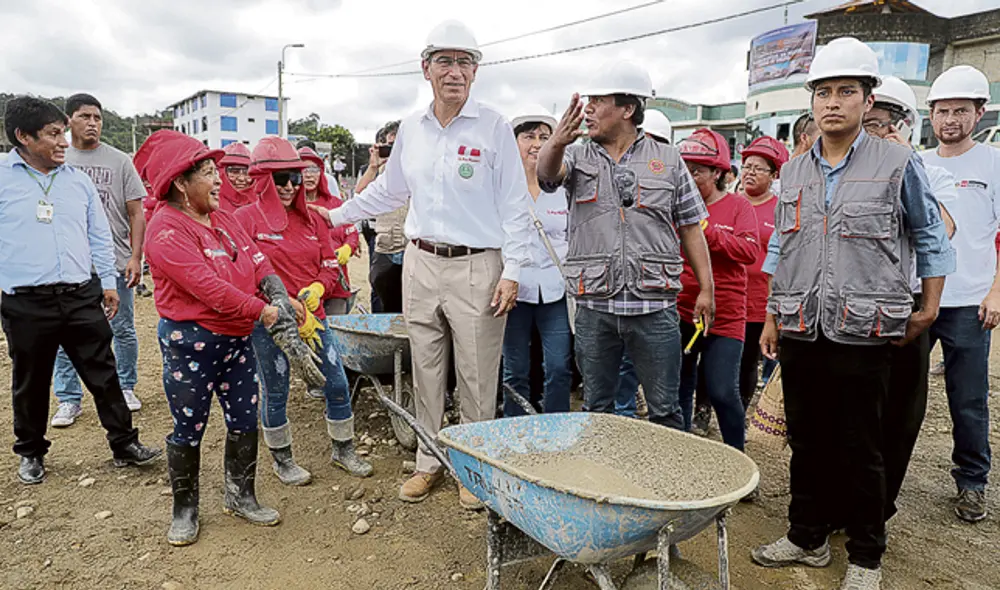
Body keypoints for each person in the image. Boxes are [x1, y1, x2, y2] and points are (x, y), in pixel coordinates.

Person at [753, 38, 955, 589]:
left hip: (864, 330)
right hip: (801, 325)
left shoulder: (897, 162)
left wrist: (929, 306)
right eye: (823, 92)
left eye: (846, 91)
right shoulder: (795, 170)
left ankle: (866, 556)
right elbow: (782, 248)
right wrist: (772, 316)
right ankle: (806, 536)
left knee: (862, 446)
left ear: (868, 100)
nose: (833, 102)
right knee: (807, 440)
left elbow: (930, 235)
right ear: (812, 101)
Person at [310, 20, 533, 509]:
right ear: (426, 68)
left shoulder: (494, 126)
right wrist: (337, 214)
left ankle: (472, 469)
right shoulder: (412, 128)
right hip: (420, 263)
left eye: (464, 62)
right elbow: (390, 190)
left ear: (476, 71)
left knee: (477, 373)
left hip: (478, 265)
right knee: (425, 366)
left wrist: (513, 270)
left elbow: (517, 205)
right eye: (445, 61)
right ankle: (428, 461)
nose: (455, 71)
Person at [142, 130, 325, 546]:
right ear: (180, 183)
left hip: (236, 342)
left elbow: (260, 262)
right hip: (192, 344)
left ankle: (241, 496)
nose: (219, 180)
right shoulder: (165, 230)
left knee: (244, 419)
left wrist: (277, 295)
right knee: (189, 426)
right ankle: (185, 509)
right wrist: (266, 312)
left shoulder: (223, 218)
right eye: (209, 173)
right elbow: (211, 289)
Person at [537, 60, 715, 433]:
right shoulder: (577, 156)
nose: (587, 110)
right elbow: (547, 177)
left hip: (654, 306)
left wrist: (706, 289)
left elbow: (690, 226)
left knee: (664, 409)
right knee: (597, 408)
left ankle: (666, 471)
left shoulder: (668, 159)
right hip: (595, 307)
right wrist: (557, 141)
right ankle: (603, 470)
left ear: (627, 109)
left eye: (598, 101)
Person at [0, 96, 161, 486]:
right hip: (25, 301)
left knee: (103, 372)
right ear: (23, 136)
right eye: (53, 134)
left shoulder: (77, 181)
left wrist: (107, 282)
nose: (63, 142)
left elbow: (99, 235)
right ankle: (31, 452)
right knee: (30, 380)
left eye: (62, 133)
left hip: (80, 293)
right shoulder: (3, 178)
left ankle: (124, 444)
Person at [237, 138, 373, 483]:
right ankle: (282, 459)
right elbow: (244, 274)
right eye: (281, 178)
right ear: (263, 180)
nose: (289, 186)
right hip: (271, 322)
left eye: (295, 178)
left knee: (336, 382)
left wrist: (318, 289)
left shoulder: (313, 219)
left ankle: (344, 449)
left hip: (313, 318)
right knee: (276, 388)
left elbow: (329, 264)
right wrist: (284, 304)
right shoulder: (245, 220)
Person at [861, 75, 958, 528]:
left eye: (881, 124)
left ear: (903, 125)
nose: (874, 134)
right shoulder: (850, 171)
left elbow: (943, 230)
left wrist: (907, 166)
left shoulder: (932, 173)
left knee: (898, 416)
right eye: (869, 125)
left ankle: (878, 510)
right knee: (850, 414)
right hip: (855, 303)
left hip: (907, 304)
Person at [921, 64, 1000, 523]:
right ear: (931, 114)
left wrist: (995, 293)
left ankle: (972, 481)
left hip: (970, 303)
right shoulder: (918, 162)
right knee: (899, 394)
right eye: (943, 111)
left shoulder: (993, 163)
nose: (950, 119)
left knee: (968, 399)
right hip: (919, 298)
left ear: (979, 113)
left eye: (960, 111)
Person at [51, 93, 147, 426]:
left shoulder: (120, 161)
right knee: (65, 334)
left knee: (122, 329)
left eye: (97, 118)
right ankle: (68, 398)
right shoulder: (56, 159)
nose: (93, 123)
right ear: (69, 121)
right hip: (68, 266)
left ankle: (126, 386)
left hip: (115, 263)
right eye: (85, 116)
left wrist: (136, 256)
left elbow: (136, 213)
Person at [676, 129, 759, 451]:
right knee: (679, 387)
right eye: (685, 170)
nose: (690, 177)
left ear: (718, 173)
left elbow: (749, 252)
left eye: (697, 171)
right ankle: (681, 452)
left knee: (723, 391)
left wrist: (707, 233)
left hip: (725, 315)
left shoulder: (738, 206)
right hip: (681, 310)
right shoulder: (674, 205)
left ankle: (737, 456)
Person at [501, 105, 572, 417]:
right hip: (513, 291)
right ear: (513, 142)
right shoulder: (501, 186)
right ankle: (515, 428)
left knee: (558, 367)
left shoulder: (564, 188)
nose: (537, 144)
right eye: (528, 136)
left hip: (555, 291)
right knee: (515, 369)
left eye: (545, 137)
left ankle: (555, 429)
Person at [737, 136, 789, 411]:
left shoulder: (781, 208)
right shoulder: (731, 203)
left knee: (748, 360)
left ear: (773, 175)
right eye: (747, 166)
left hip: (760, 301)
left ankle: (740, 408)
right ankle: (703, 408)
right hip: (727, 296)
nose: (750, 173)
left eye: (758, 168)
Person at [299, 146, 359, 317]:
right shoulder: (291, 208)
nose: (308, 175)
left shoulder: (335, 204)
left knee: (335, 326)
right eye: (303, 170)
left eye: (313, 169)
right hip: (305, 286)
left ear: (321, 173)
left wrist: (348, 248)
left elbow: (351, 232)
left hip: (336, 284)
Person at [360, 122, 409, 314]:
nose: (395, 150)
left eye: (400, 145)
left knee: (414, 308)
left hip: (414, 247)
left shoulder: (420, 169)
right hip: (385, 247)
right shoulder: (379, 172)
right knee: (382, 302)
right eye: (390, 145)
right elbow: (360, 196)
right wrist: (374, 167)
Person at [217, 142, 257, 212]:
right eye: (234, 172)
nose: (241, 178)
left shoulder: (261, 201)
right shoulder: (210, 203)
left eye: (247, 173)